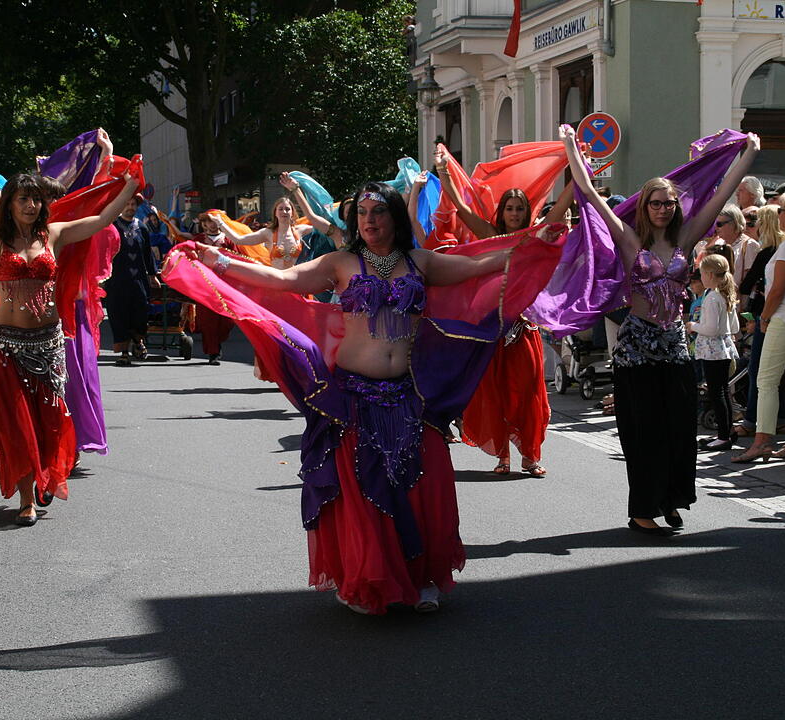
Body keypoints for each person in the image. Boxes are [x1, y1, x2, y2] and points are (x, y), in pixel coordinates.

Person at [169, 180, 563, 614]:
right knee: (361, 488)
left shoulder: (419, 262)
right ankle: (368, 579)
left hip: (410, 394)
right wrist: (221, 262)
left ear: (394, 216)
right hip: (354, 393)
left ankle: (422, 577)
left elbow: (481, 266)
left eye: (377, 212)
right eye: (361, 214)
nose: (369, 221)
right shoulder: (341, 262)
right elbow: (283, 279)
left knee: (424, 482)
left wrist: (530, 246)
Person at [560, 124, 761, 534]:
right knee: (644, 430)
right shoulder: (631, 239)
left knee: (679, 428)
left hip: (673, 344)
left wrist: (750, 154)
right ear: (645, 207)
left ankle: (672, 499)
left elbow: (722, 193)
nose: (663, 209)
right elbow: (593, 195)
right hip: (637, 346)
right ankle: (642, 509)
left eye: (669, 203)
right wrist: (570, 148)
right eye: (656, 203)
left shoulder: (686, 237)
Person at [0, 171, 139, 525]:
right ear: (9, 203)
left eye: (36, 199)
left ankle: (45, 473)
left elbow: (102, 218)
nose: (31, 205)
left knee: (49, 423)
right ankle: (27, 500)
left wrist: (131, 186)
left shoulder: (54, 234)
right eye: (23, 199)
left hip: (47, 345)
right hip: (5, 347)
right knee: (16, 425)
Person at [433, 149, 573, 478]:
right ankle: (504, 456)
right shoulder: (491, 237)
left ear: (527, 212)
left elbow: (565, 203)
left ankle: (531, 455)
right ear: (502, 212)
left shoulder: (536, 237)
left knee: (528, 394)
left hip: (525, 327)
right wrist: (444, 173)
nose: (513, 212)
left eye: (519, 208)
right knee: (494, 393)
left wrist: (577, 167)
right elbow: (462, 209)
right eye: (509, 208)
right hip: (493, 328)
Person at [731, 191, 785, 462]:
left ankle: (762, 441)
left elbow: (778, 288)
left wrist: (765, 318)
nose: (778, 214)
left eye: (781, 210)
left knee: (766, 381)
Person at [735, 205, 785, 438]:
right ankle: (780, 419)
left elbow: (746, 285)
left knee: (759, 368)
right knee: (783, 371)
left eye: (757, 221)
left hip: (766, 315)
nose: (754, 226)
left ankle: (752, 420)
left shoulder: (768, 252)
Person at [688, 253, 740, 450]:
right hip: (724, 347)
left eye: (701, 273)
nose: (700, 277)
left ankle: (723, 435)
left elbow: (710, 329)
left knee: (717, 392)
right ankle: (728, 431)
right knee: (723, 390)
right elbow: (733, 326)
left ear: (709, 274)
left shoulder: (711, 297)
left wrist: (693, 325)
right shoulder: (725, 294)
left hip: (713, 350)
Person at [106, 196, 160, 366]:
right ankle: (123, 352)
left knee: (140, 313)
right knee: (119, 315)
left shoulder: (142, 228)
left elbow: (147, 254)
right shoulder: (112, 227)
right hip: (117, 281)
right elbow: (104, 254)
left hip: (138, 280)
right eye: (127, 204)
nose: (130, 207)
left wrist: (152, 276)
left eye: (133, 204)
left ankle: (138, 341)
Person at [191, 211, 238, 364]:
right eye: (208, 221)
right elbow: (191, 258)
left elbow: (236, 260)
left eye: (214, 221)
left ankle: (217, 342)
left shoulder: (228, 240)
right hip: (204, 285)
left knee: (227, 320)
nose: (211, 224)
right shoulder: (198, 239)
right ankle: (213, 353)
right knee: (208, 320)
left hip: (224, 285)